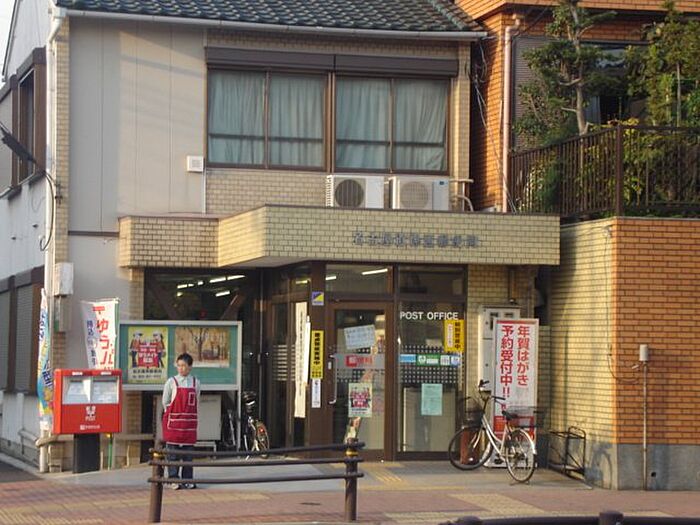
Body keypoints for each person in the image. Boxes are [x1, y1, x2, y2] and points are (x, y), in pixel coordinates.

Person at [162, 353, 200, 490]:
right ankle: (173, 479)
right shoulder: (171, 382)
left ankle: (188, 479)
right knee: (173, 454)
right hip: (174, 424)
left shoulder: (196, 382)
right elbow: (165, 402)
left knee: (188, 455)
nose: (181, 368)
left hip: (189, 424)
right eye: (179, 365)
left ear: (190, 367)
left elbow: (197, 401)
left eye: (184, 365)